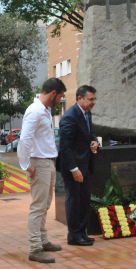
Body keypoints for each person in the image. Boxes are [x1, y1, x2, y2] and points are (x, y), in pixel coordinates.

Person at [18, 78, 66, 263]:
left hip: (47, 162)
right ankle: (35, 248)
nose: (59, 101)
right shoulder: (35, 110)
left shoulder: (44, 110)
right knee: (38, 206)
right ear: (53, 93)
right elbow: (25, 139)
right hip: (39, 163)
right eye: (60, 96)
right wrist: (26, 164)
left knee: (44, 205)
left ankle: (43, 241)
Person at [58, 85, 99, 246]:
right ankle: (74, 235)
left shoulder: (86, 113)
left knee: (84, 200)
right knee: (74, 201)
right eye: (91, 99)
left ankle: (82, 233)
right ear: (79, 98)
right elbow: (65, 147)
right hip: (73, 167)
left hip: (85, 164)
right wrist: (74, 169)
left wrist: (94, 142)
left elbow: (90, 133)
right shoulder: (69, 117)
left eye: (95, 99)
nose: (94, 102)